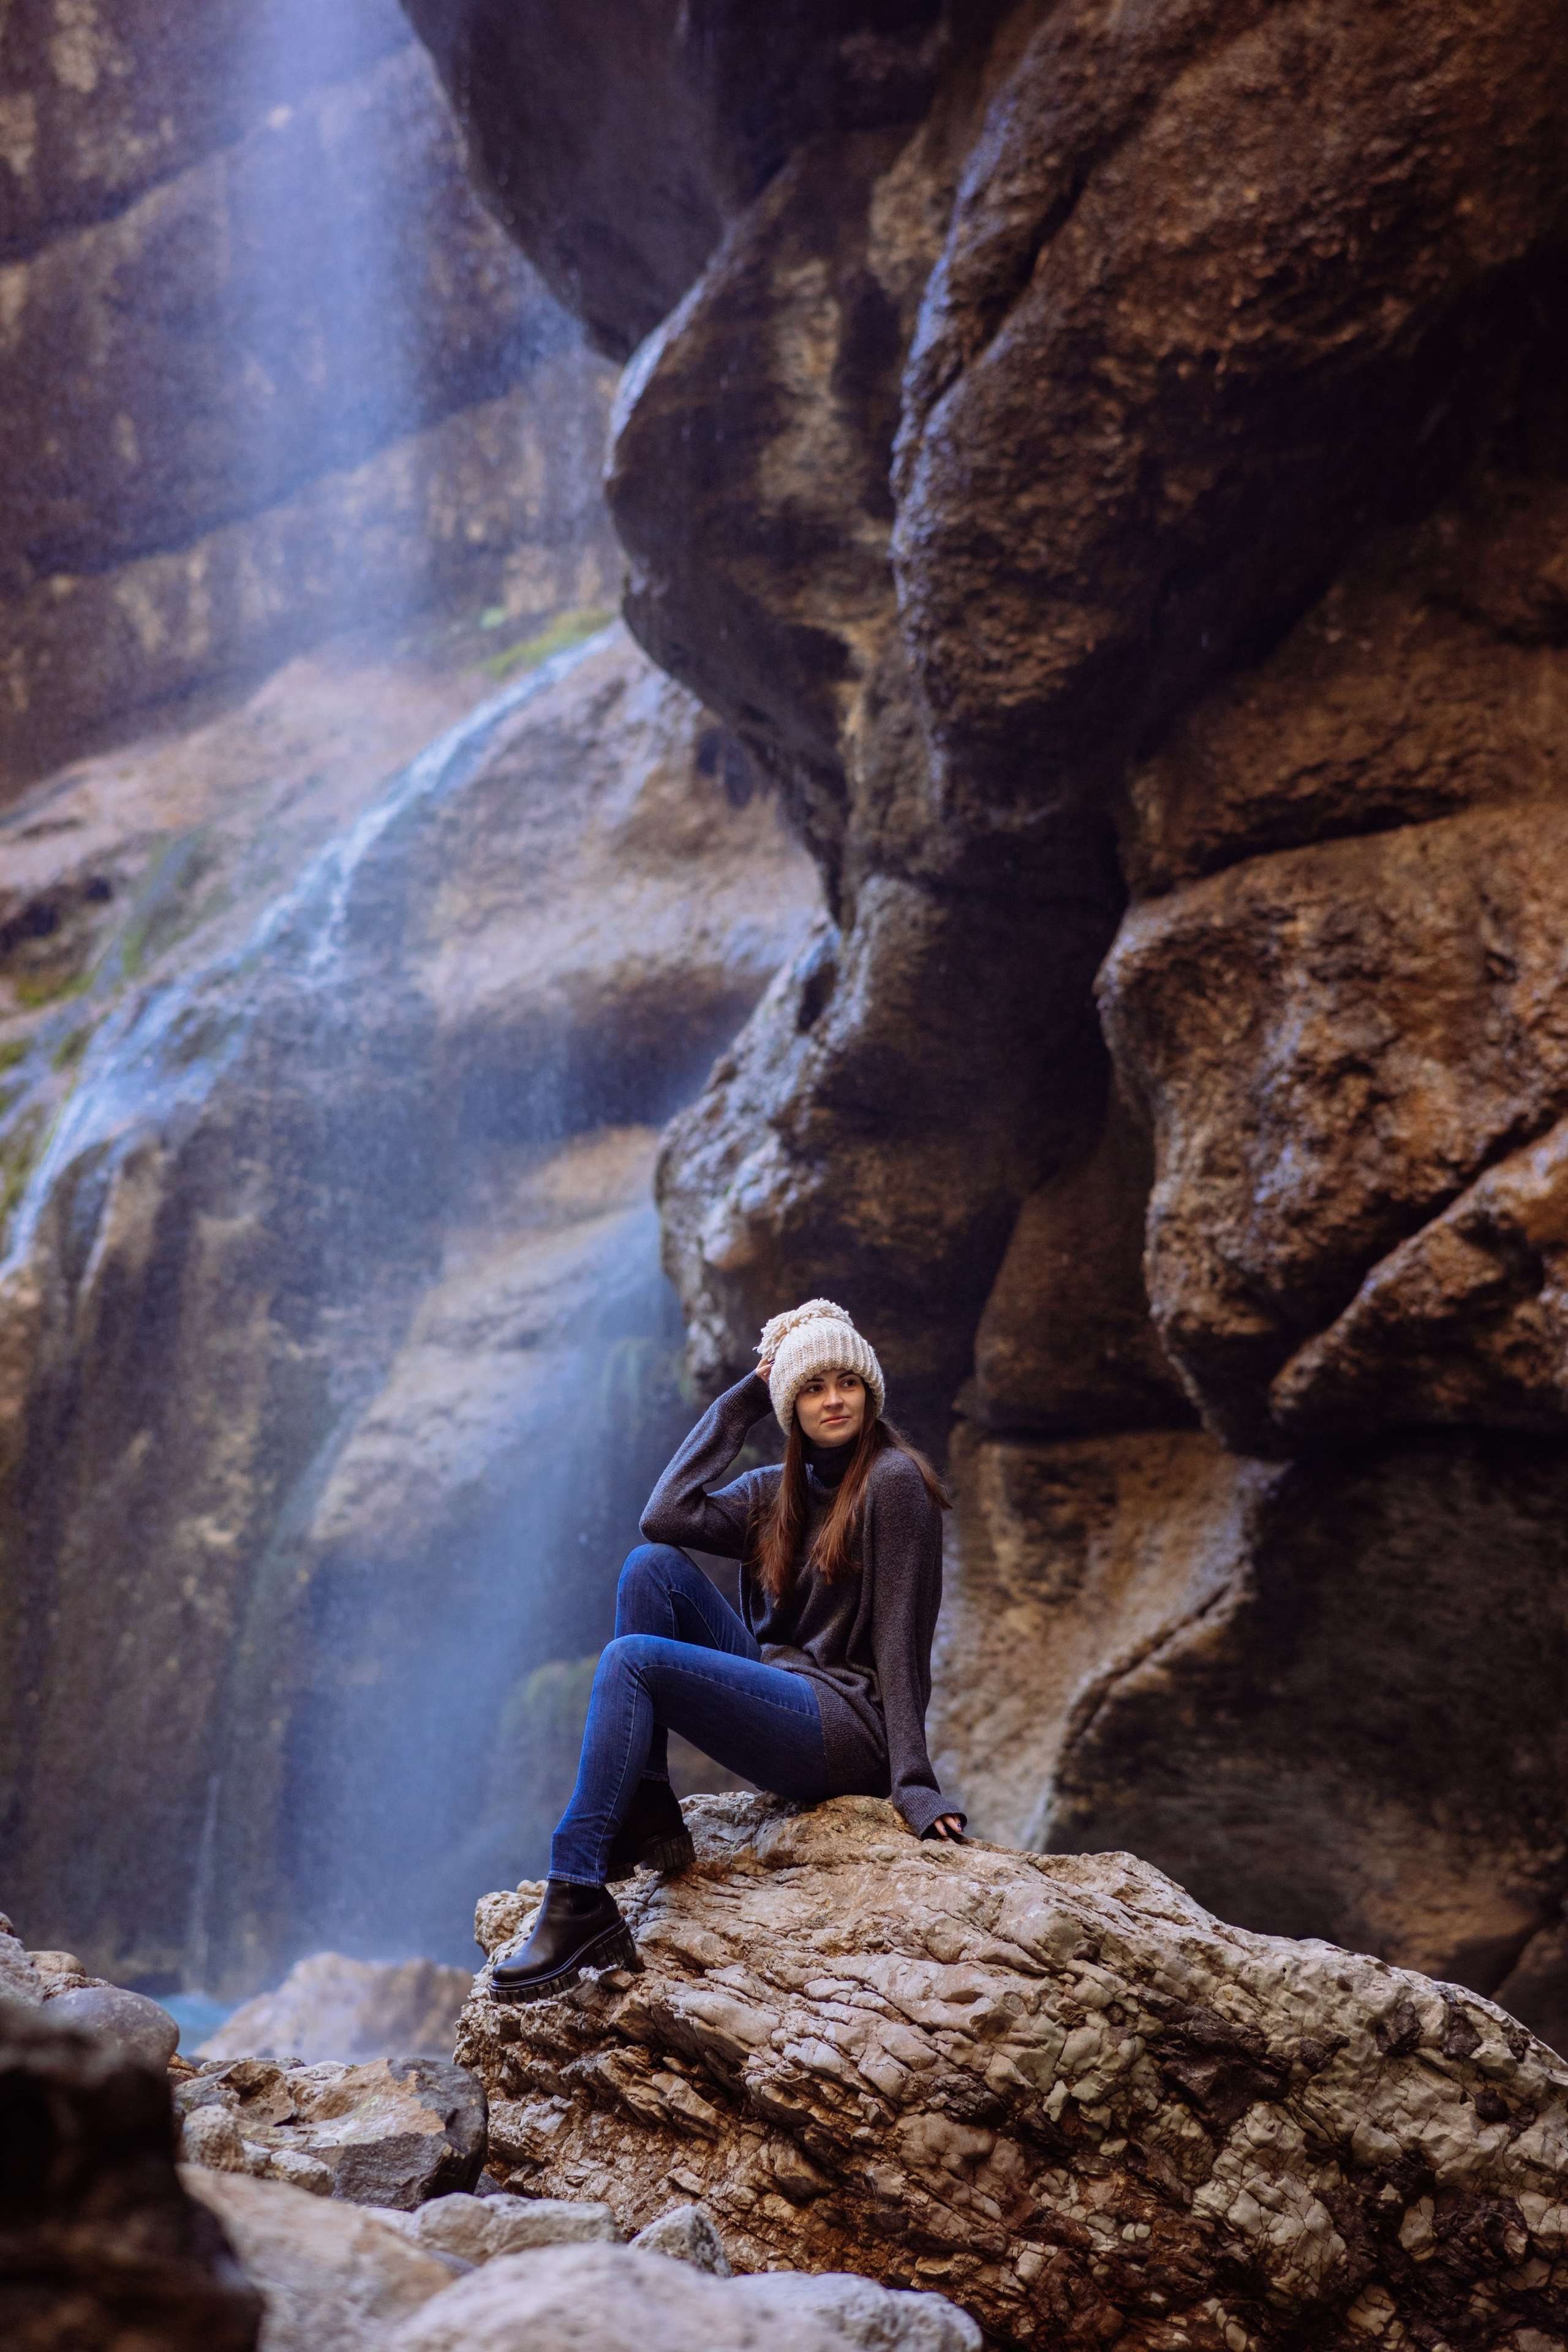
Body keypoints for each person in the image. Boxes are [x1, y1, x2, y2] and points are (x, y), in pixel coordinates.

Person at [491, 1298, 967, 2002]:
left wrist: (914, 1783)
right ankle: (650, 1808)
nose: (833, 1400)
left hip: (844, 1731)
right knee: (647, 1567)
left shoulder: (895, 1482)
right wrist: (747, 1397)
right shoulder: (772, 1493)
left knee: (632, 1659)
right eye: (810, 1387)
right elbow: (664, 1516)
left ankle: (577, 1892)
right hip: (781, 1694)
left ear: (871, 1391)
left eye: (847, 1383)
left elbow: (902, 1638)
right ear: (789, 1405)